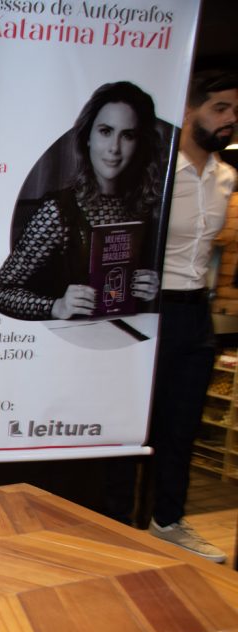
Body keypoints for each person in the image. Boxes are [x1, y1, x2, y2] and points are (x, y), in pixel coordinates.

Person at [130, 70, 236, 562]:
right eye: (220, 109)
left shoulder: (226, 178)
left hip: (197, 312)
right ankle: (123, 523)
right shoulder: (158, 172)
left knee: (183, 424)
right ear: (192, 110)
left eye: (235, 112)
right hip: (153, 312)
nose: (229, 120)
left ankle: (167, 521)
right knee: (142, 424)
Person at [0, 81, 164, 320]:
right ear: (88, 138)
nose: (114, 148)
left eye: (128, 135)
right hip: (68, 346)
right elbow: (2, 293)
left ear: (140, 143)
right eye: (105, 131)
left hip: (126, 345)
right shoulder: (58, 211)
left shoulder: (149, 209)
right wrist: (56, 306)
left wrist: (150, 288)